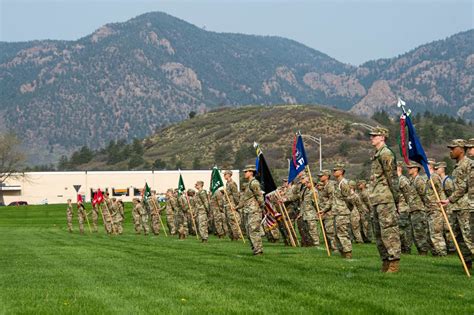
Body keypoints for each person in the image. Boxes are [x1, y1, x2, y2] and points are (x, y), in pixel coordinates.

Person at [369, 126, 401, 273]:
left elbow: (392, 178)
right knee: (378, 232)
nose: (371, 138)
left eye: (375, 136)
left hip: (386, 198)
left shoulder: (386, 154)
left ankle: (393, 262)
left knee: (388, 231)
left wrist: (395, 199)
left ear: (382, 137)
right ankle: (385, 261)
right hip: (377, 198)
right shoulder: (377, 154)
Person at [440, 139, 473, 270]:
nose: (451, 151)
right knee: (458, 238)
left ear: (461, 149)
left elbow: (464, 187)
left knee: (469, 237)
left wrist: (449, 199)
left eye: (453, 149)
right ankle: (467, 263)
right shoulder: (457, 167)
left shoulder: (469, 164)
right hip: (457, 207)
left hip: (466, 207)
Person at [236, 164, 264, 255]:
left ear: (251, 172)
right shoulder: (248, 184)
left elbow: (259, 196)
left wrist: (261, 206)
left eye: (246, 172)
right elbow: (245, 198)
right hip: (248, 210)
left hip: (254, 211)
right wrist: (238, 207)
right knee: (248, 232)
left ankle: (258, 250)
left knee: (253, 231)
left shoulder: (254, 183)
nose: (245, 173)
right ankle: (255, 249)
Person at [406, 163, 430, 255]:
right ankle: (421, 251)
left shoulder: (419, 180)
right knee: (415, 233)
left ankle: (423, 251)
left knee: (420, 232)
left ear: (416, 169)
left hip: (419, 210)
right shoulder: (412, 180)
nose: (409, 169)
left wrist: (425, 207)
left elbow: (423, 194)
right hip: (413, 209)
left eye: (410, 168)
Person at [332, 164, 353, 259]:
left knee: (343, 233)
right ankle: (342, 253)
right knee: (337, 234)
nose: (334, 172)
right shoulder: (337, 183)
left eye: (336, 170)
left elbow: (349, 198)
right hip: (337, 212)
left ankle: (348, 253)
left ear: (341, 171)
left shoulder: (344, 183)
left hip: (343, 212)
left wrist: (347, 209)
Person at [435, 162, 456, 253]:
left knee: (448, 228)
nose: (436, 170)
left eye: (437, 168)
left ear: (442, 169)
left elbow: (451, 194)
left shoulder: (447, 181)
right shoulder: (440, 180)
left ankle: (452, 248)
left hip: (449, 208)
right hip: (444, 208)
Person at [396, 162, 414, 254]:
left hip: (404, 208)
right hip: (398, 208)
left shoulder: (403, 180)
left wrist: (408, 205)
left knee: (404, 230)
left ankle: (406, 249)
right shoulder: (396, 180)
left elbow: (408, 194)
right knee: (399, 230)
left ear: (399, 169)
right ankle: (402, 248)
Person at [318, 170, 337, 251]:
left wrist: (324, 210)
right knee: (326, 231)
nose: (320, 177)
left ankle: (335, 248)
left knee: (331, 231)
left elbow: (331, 199)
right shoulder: (324, 186)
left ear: (327, 176)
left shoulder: (330, 185)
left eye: (321, 176)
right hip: (323, 212)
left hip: (329, 212)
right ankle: (330, 248)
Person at [298, 176, 320, 246]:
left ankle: (316, 243)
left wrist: (318, 213)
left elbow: (317, 204)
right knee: (307, 230)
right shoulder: (305, 190)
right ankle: (310, 243)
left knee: (313, 230)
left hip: (311, 214)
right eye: (306, 182)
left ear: (313, 183)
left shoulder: (314, 192)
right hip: (305, 213)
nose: (306, 183)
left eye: (308, 182)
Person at [223, 170, 242, 241]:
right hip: (227, 204)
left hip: (232, 204)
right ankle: (233, 237)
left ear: (229, 175)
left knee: (235, 220)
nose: (224, 175)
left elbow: (235, 195)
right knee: (230, 222)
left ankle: (238, 236)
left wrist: (237, 205)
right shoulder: (227, 184)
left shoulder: (232, 183)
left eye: (225, 174)